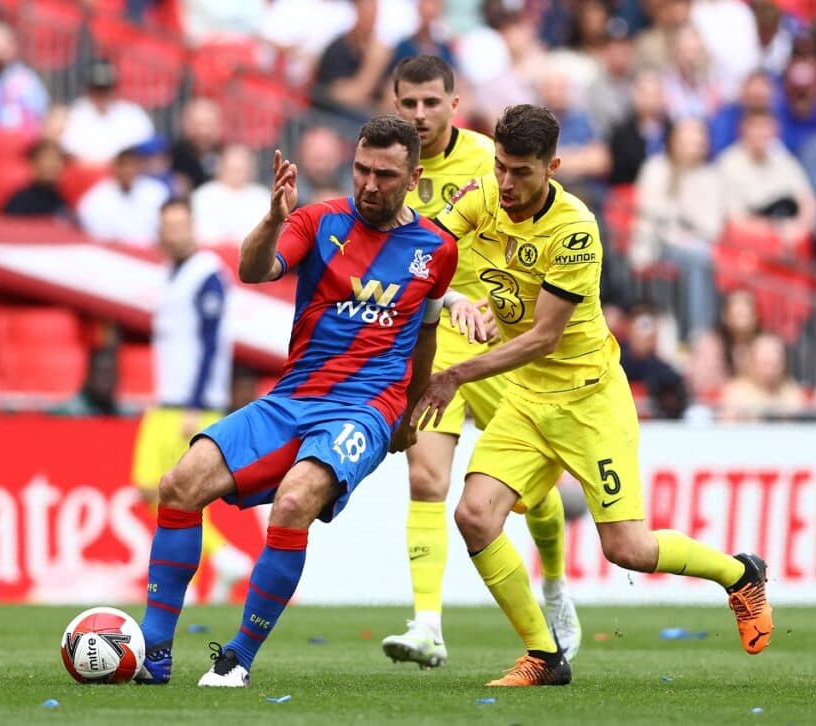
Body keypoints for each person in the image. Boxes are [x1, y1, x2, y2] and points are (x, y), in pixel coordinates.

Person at [417, 105, 773, 687]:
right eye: (501, 167)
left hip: (589, 399)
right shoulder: (484, 195)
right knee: (474, 515)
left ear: (552, 167)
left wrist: (456, 372)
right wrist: (444, 295)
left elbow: (543, 337)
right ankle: (544, 655)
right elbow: (426, 249)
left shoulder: (576, 230)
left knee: (627, 549)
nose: (506, 183)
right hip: (529, 400)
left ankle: (740, 573)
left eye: (522, 172)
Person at [135, 115, 465, 688]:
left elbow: (427, 337)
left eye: (385, 175)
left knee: (293, 502)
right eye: (361, 168)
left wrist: (409, 416)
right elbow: (254, 268)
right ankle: (153, 653)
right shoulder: (316, 220)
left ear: (413, 178)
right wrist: (272, 220)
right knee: (178, 485)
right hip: (294, 395)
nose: (368, 183)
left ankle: (236, 659)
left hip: (367, 405)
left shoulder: (436, 250)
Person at [381, 56, 580, 670]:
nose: (418, 115)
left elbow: (530, 242)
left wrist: (493, 302)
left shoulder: (487, 161)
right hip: (433, 340)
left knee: (530, 491)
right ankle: (427, 627)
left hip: (497, 342)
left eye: (429, 104)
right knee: (425, 479)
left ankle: (554, 589)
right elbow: (388, 246)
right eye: (408, 104)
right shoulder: (385, 166)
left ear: (452, 105)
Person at [130, 198, 249, 606]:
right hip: (167, 400)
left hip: (188, 405)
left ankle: (217, 562)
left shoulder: (207, 275)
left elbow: (213, 341)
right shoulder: (168, 274)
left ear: (193, 227)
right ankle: (222, 562)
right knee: (160, 490)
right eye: (169, 226)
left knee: (169, 492)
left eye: (182, 224)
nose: (175, 233)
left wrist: (198, 404)